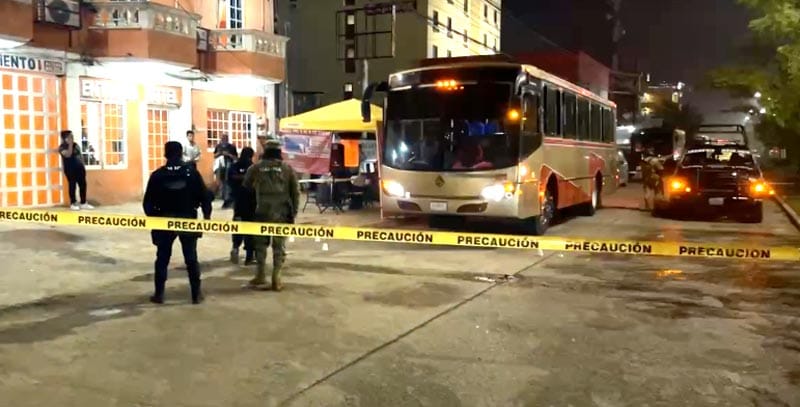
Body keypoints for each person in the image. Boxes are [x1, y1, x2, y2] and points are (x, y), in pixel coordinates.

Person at [143, 141, 213, 304]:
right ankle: (196, 294)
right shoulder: (191, 173)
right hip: (187, 218)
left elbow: (147, 202)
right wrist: (206, 217)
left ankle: (159, 294)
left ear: (165, 154)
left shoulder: (157, 175)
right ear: (181, 154)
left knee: (162, 258)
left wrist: (154, 220)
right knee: (191, 257)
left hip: (163, 220)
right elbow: (205, 197)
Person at [243, 139, 300, 291]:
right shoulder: (287, 169)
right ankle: (277, 277)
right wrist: (293, 211)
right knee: (279, 245)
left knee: (260, 244)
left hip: (261, 210)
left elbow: (246, 186)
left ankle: (260, 275)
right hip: (282, 212)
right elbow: (295, 192)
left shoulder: (256, 167)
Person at [229, 147, 257, 265]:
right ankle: (249, 256)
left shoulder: (234, 166)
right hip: (251, 203)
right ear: (251, 156)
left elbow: (229, 180)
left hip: (239, 202)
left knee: (239, 226)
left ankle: (235, 248)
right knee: (250, 229)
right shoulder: (254, 168)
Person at [58, 130, 93, 211]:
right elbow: (68, 154)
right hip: (70, 169)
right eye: (69, 136)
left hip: (80, 169)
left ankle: (83, 203)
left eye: (72, 136)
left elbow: (80, 156)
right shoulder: (62, 147)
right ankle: (73, 203)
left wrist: (83, 166)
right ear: (64, 138)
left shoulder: (76, 145)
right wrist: (70, 144)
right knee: (72, 185)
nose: (71, 138)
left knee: (83, 185)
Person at [214, 134, 238, 209]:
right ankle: (223, 197)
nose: (223, 140)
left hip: (229, 166)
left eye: (225, 139)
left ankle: (228, 199)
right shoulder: (218, 146)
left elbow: (235, 157)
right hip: (220, 167)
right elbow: (215, 156)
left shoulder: (231, 147)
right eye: (222, 139)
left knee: (228, 183)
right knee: (221, 183)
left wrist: (228, 154)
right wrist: (220, 153)